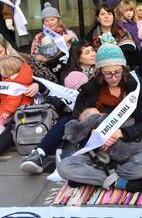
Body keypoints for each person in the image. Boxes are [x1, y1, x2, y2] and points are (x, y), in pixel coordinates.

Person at [57, 37, 142, 192]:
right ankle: (121, 182)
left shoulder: (138, 87)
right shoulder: (88, 90)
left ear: (124, 69)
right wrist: (90, 132)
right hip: (97, 153)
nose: (113, 77)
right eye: (108, 73)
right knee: (65, 167)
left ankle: (96, 177)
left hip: (130, 148)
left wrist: (121, 133)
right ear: (99, 71)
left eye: (117, 72)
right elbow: (74, 123)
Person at [20, 41, 97, 174]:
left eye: (92, 50)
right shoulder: (72, 76)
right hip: (74, 111)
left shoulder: (102, 70)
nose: (93, 54)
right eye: (87, 52)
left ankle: (53, 155)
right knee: (68, 119)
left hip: (97, 112)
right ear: (78, 58)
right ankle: (38, 154)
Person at [30, 3, 78, 78]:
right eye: (46, 20)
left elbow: (78, 50)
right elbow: (33, 57)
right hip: (48, 70)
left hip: (68, 68)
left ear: (58, 20)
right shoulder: (39, 37)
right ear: (43, 23)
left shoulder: (67, 33)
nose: (50, 23)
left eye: (52, 19)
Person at [0, 56, 33, 133]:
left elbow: (13, 100)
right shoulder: (20, 78)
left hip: (14, 110)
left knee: (1, 120)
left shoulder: (13, 85)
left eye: (0, 69)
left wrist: (7, 112)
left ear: (9, 71)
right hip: (17, 107)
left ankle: (1, 132)